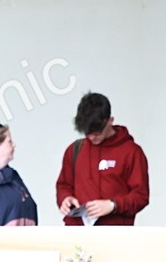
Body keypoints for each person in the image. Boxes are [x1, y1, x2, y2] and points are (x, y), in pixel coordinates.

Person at [56, 92, 149, 226]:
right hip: (76, 233)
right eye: (87, 133)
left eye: (97, 133)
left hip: (114, 236)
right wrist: (65, 198)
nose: (92, 138)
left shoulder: (131, 152)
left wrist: (112, 205)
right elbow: (63, 185)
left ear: (110, 121)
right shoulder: (74, 150)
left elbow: (141, 196)